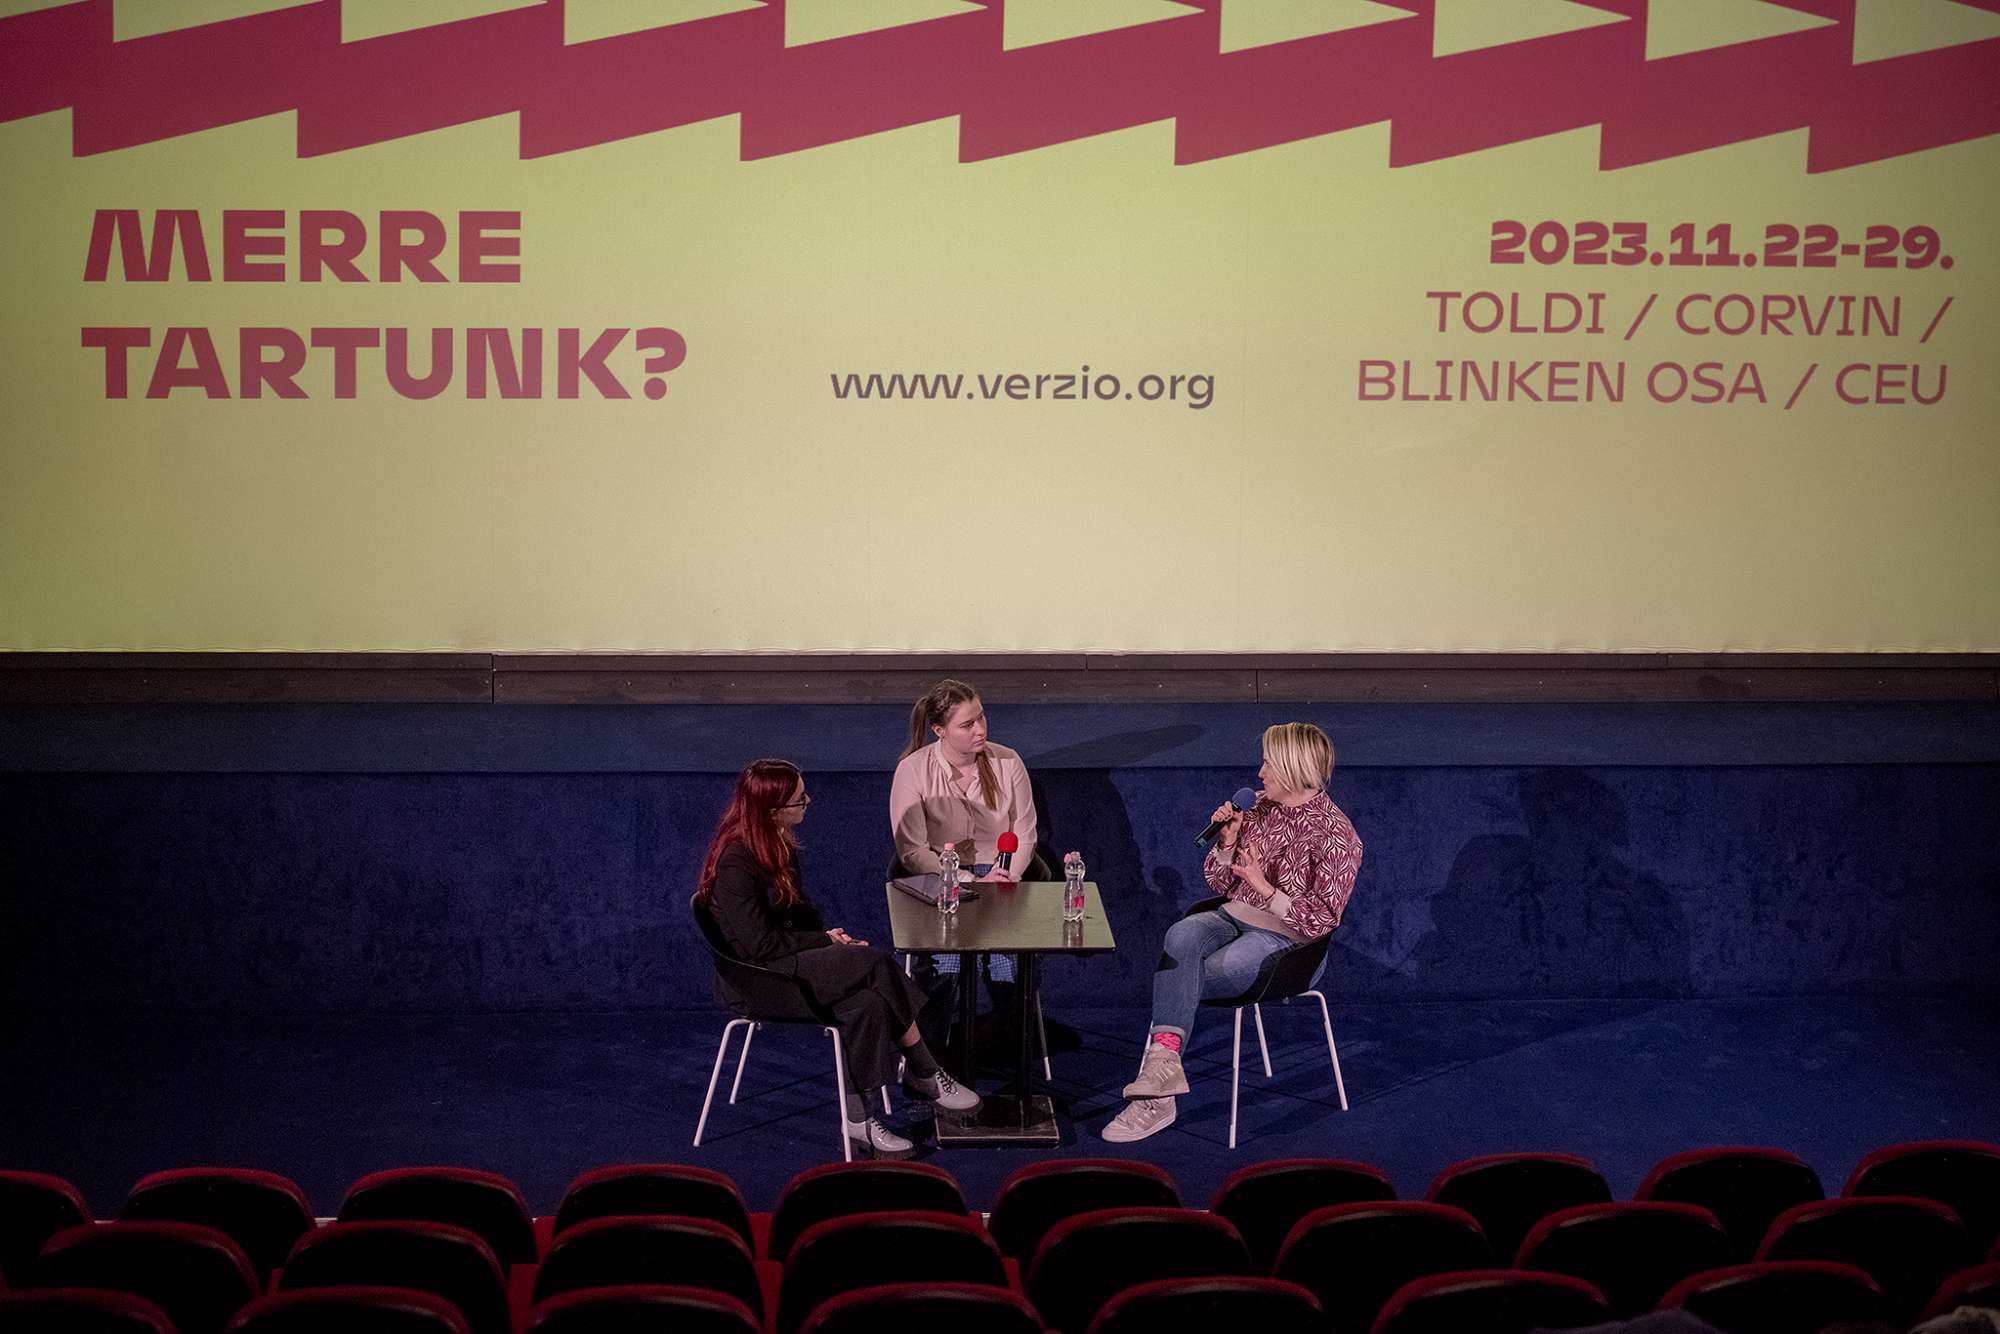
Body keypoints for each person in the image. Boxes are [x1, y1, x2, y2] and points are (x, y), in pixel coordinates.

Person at [697, 758, 979, 1157]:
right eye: (799, 800)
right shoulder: (737, 860)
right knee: (875, 963)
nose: (807, 803)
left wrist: (831, 937)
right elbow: (759, 946)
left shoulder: (776, 843)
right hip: (759, 979)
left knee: (868, 1003)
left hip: (786, 961)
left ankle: (859, 1122)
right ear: (772, 809)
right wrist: (821, 942)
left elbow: (797, 913)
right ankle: (925, 1070)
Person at [1103, 722, 1362, 1143]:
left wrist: (1266, 889)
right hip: (1232, 916)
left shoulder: (1337, 835)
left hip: (1288, 944)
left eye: (1268, 764)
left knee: (1183, 976)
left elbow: (1321, 920)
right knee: (1180, 937)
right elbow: (1221, 885)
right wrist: (1226, 844)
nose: (1260, 773)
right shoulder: (1256, 807)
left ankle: (1156, 1093)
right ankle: (1163, 1077)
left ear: (1293, 768)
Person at [888, 679, 1039, 1033]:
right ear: (940, 730)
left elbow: (1024, 833)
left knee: (1006, 962)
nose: (980, 729)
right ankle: (934, 1052)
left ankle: (1009, 1044)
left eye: (981, 717)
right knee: (947, 962)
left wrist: (1005, 877)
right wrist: (968, 880)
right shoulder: (913, 769)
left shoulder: (1007, 761)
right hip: (943, 879)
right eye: (967, 724)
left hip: (999, 876)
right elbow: (912, 850)